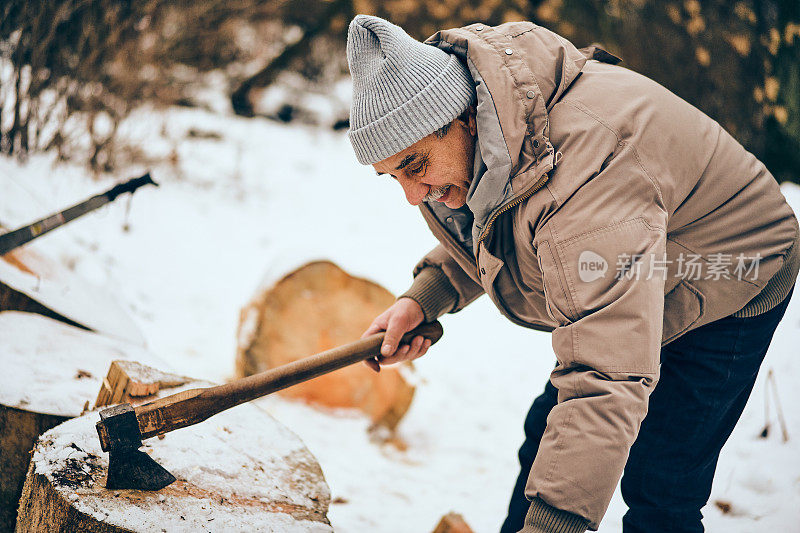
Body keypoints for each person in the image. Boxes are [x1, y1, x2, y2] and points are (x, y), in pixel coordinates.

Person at [345, 14, 799, 533]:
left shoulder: (584, 177)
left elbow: (603, 375)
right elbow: (501, 226)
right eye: (392, 176)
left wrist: (553, 525)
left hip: (732, 265)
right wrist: (427, 296)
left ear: (465, 119)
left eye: (415, 165)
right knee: (547, 432)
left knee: (662, 481)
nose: (410, 193)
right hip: (635, 256)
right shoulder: (501, 131)